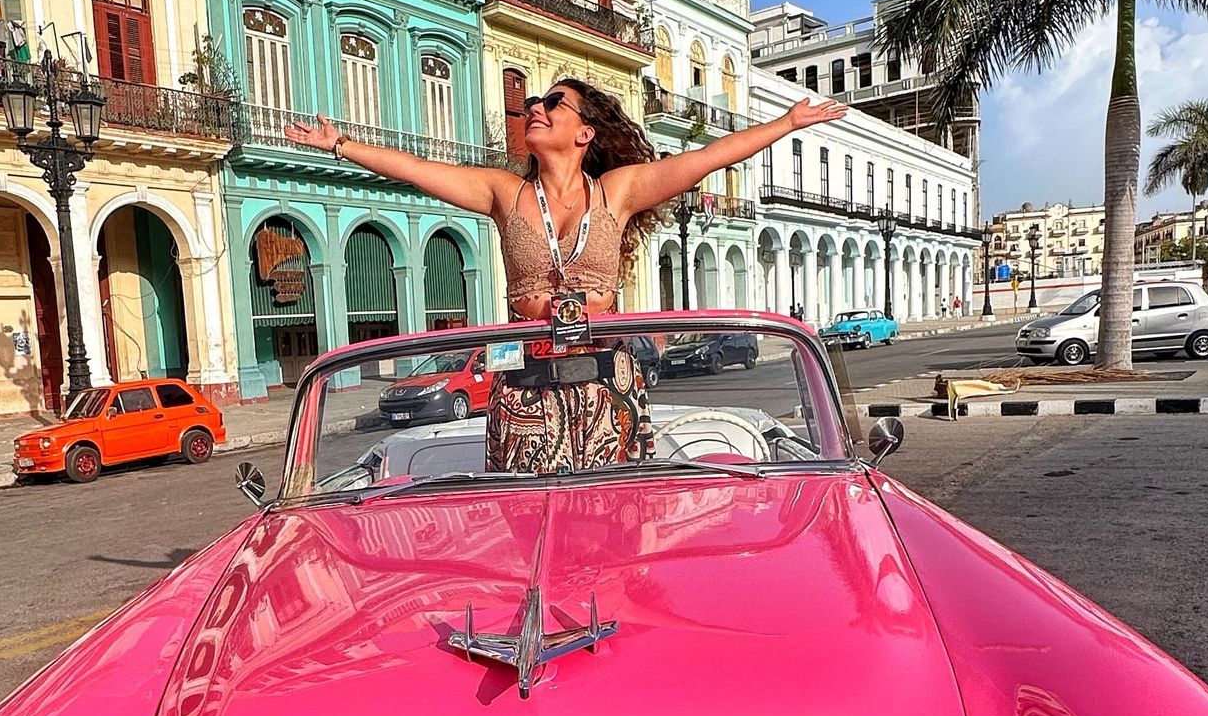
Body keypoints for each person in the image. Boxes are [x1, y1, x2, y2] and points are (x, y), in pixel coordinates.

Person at [287, 76, 844, 473]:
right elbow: (420, 172)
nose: (536, 106)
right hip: (526, 386)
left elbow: (708, 158)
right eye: (534, 100)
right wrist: (341, 144)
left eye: (555, 102)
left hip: (606, 383)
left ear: (585, 134)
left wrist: (788, 123)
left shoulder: (617, 191)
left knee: (611, 515)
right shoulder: (505, 193)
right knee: (530, 517)